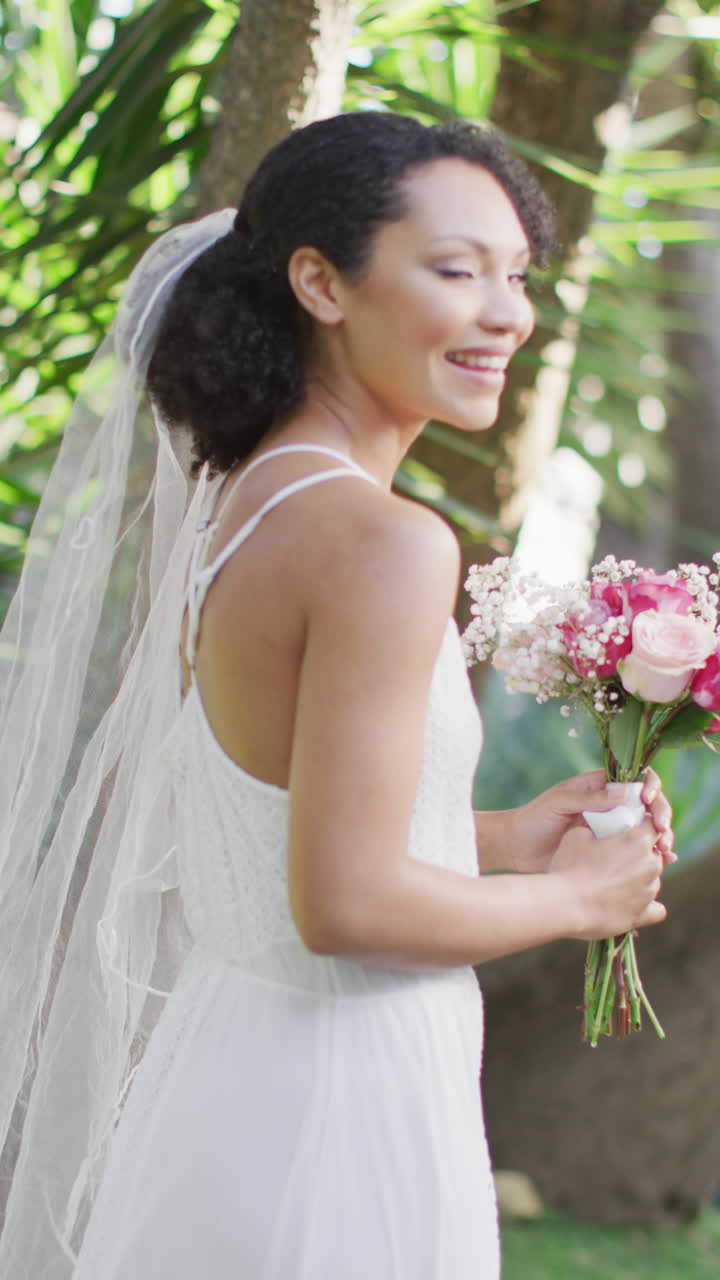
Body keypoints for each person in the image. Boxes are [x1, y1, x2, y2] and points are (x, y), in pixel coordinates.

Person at [0, 112, 673, 1279]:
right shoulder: (385, 543)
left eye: (515, 275)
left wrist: (507, 838)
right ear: (320, 280)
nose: (506, 312)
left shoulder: (251, 501)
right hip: (339, 1090)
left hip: (228, 1073)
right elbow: (345, 902)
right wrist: (580, 900)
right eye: (456, 270)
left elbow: (276, 840)